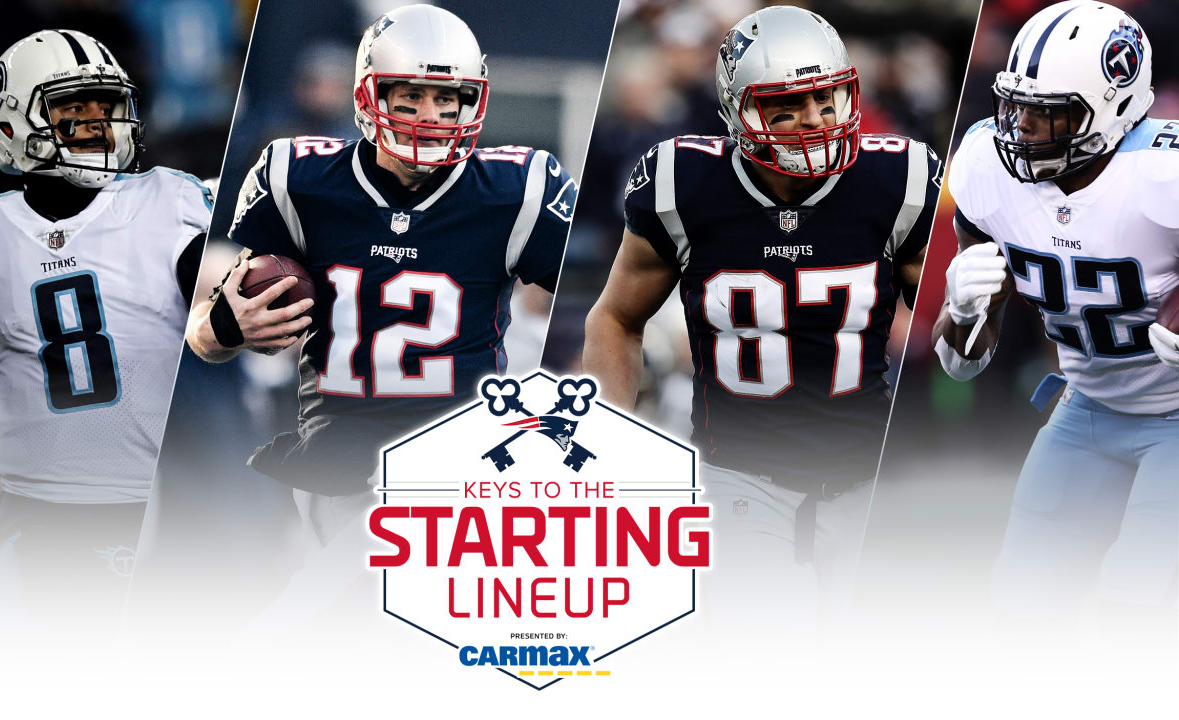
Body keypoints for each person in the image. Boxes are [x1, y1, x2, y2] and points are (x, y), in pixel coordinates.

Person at [582, 6, 940, 628]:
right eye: (786, 106)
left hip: (865, 477)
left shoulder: (898, 179)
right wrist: (612, 439)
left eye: (827, 99)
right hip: (738, 473)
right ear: (736, 113)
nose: (814, 121)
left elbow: (944, 331)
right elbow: (615, 318)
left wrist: (965, 312)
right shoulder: (682, 183)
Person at [184, 4, 573, 565]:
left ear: (473, 101)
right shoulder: (300, 179)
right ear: (371, 96)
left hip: (462, 462)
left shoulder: (517, 188)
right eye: (410, 96)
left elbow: (590, 306)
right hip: (339, 463)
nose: (429, 114)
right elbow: (204, 336)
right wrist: (221, 327)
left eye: (447, 99)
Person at [0, 30, 211, 632]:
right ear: (13, 123)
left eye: (108, 109)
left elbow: (221, 279)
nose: (98, 126)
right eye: (74, 110)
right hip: (39, 527)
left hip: (165, 513)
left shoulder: (167, 204)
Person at [936, 0, 1178, 629]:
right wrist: (962, 309)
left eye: (1050, 115)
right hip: (1088, 408)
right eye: (1017, 108)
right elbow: (962, 365)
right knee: (1022, 600)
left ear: (1115, 108)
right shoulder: (990, 169)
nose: (1024, 130)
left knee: (1140, 602)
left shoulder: (1161, 173)